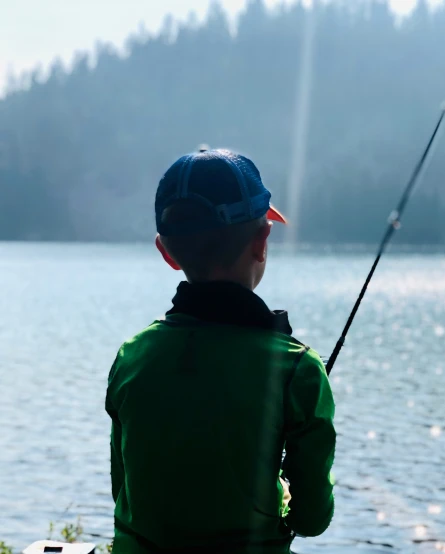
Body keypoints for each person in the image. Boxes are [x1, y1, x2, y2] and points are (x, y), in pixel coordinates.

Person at [105, 149, 336, 554]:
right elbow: (312, 519)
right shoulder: (298, 369)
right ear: (261, 243)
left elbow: (124, 491)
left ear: (167, 252)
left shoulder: (132, 357)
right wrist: (279, 489)